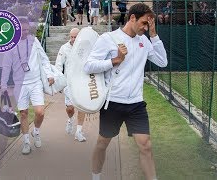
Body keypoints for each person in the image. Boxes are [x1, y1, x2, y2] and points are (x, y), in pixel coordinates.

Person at [84, 3, 168, 180]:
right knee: (102, 144)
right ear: (132, 18)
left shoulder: (145, 41)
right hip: (112, 102)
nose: (145, 28)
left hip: (136, 104)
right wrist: (115, 60)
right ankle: (95, 177)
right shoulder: (108, 38)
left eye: (148, 25)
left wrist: (153, 34)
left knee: (145, 145)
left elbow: (162, 62)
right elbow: (88, 65)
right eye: (144, 23)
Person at [1, 18, 54, 155]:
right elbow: (6, 66)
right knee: (23, 113)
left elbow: (44, 59)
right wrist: (3, 84)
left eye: (26, 29)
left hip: (35, 82)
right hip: (19, 84)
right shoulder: (10, 45)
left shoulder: (34, 41)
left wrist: (49, 74)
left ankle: (35, 132)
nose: (24, 32)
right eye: (22, 30)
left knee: (40, 112)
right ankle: (25, 142)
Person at [55, 28, 87, 142]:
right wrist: (59, 81)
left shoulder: (85, 47)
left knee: (82, 106)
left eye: (75, 37)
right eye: (71, 37)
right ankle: (71, 119)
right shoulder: (64, 48)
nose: (73, 39)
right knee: (70, 108)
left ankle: (79, 131)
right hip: (68, 82)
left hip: (82, 81)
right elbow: (58, 65)